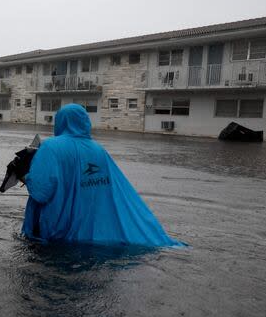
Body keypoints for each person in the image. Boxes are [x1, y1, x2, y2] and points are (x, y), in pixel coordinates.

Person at [22, 103, 181, 247]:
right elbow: (112, 190)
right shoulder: (98, 150)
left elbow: (41, 191)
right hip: (91, 231)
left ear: (60, 122)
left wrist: (25, 176)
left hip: (55, 233)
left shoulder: (50, 147)